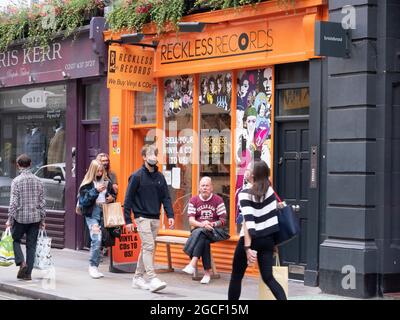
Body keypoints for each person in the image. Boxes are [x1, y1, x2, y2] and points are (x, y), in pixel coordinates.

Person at [228, 160, 287, 300]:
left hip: (251, 239)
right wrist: (275, 245)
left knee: (236, 276)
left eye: (248, 168)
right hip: (267, 240)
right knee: (268, 278)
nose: (246, 171)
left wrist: (247, 248)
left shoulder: (244, 194)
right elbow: (273, 221)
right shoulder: (270, 192)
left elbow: (248, 222)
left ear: (253, 174)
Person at [124, 144, 175, 292]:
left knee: (146, 248)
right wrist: (127, 220)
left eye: (155, 154)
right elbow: (128, 199)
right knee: (149, 246)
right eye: (150, 154)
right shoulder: (136, 176)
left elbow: (166, 197)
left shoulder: (160, 177)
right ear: (144, 157)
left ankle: (137, 278)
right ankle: (152, 278)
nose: (153, 157)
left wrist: (170, 215)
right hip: (141, 217)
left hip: (155, 218)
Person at [5, 154, 46, 281]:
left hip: (20, 218)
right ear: (30, 164)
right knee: (31, 246)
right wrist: (43, 220)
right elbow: (42, 202)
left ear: (18, 165)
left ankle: (21, 263)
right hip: (35, 218)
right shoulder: (39, 181)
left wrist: (9, 220)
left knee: (14, 239)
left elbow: (13, 203)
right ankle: (28, 274)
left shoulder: (16, 181)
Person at [182, 177, 227, 284]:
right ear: (199, 188)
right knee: (204, 238)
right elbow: (191, 221)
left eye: (207, 185)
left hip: (214, 231)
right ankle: (207, 273)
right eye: (202, 186)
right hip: (199, 231)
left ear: (211, 187)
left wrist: (212, 224)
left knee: (203, 233)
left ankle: (193, 262)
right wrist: (203, 224)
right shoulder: (193, 200)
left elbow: (223, 220)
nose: (204, 188)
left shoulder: (218, 200)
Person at [78, 159, 116, 279]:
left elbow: (112, 196)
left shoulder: (107, 182)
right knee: (97, 237)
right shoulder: (86, 184)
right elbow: (83, 202)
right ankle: (93, 266)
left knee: (103, 240)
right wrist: (95, 191)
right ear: (92, 171)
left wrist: (111, 198)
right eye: (97, 171)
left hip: (104, 212)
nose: (100, 173)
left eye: (101, 170)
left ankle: (95, 266)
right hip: (92, 213)